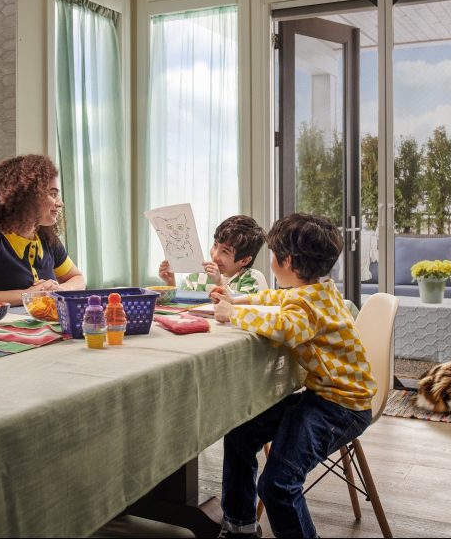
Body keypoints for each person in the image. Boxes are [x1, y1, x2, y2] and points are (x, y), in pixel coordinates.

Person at [211, 213, 377, 539]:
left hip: (341, 407)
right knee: (240, 433)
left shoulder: (307, 304)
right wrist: (237, 299)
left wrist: (234, 313)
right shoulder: (316, 288)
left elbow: (288, 328)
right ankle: (240, 526)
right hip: (326, 397)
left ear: (284, 260)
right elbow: (276, 298)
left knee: (277, 485)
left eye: (272, 253)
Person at [0, 154, 86, 312]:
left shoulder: (46, 238)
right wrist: (28, 295)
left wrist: (59, 291)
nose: (60, 203)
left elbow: (77, 278)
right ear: (29, 197)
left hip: (35, 331)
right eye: (52, 194)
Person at [158, 214, 267, 295]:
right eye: (215, 245)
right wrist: (170, 282)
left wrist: (219, 283)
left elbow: (244, 310)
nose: (215, 256)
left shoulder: (252, 278)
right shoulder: (196, 278)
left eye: (225, 251)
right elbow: (181, 308)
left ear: (245, 260)